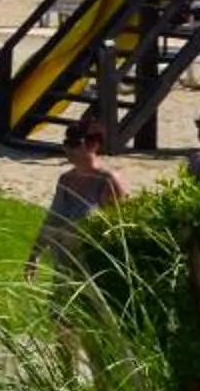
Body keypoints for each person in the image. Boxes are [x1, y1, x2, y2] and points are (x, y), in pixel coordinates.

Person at [27, 115, 129, 278]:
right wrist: (35, 255)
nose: (68, 149)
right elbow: (52, 220)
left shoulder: (107, 181)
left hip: (93, 272)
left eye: (75, 144)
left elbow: (121, 230)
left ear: (94, 145)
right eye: (66, 143)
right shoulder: (65, 180)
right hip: (63, 270)